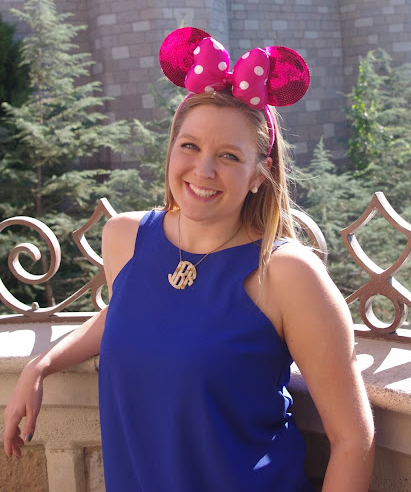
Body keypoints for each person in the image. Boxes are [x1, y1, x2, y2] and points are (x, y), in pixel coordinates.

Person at [3, 27, 375, 491]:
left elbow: (353, 439)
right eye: (190, 146)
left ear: (259, 174)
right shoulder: (124, 238)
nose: (204, 170)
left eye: (229, 156)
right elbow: (128, 314)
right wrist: (41, 365)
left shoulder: (286, 274)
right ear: (172, 148)